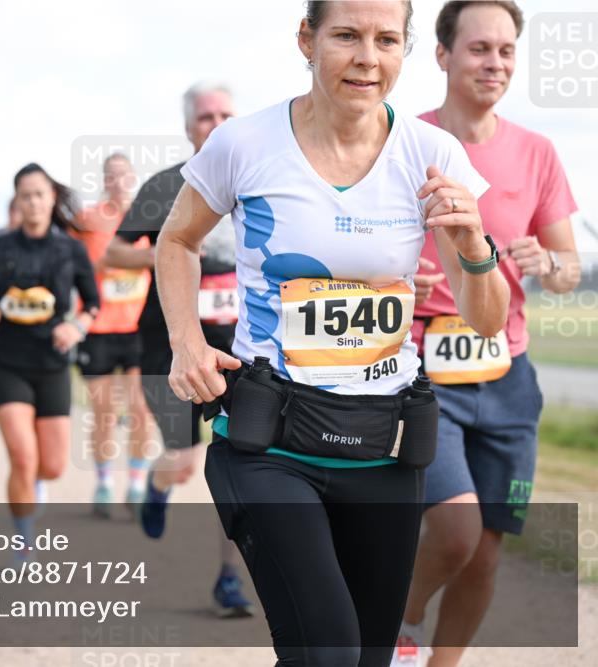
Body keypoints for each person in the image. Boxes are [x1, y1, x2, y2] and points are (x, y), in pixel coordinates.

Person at [159, 2, 511, 664]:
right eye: (346, 35)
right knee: (327, 650)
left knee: (369, 655)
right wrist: (186, 339)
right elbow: (176, 239)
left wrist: (473, 242)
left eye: (386, 40)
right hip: (272, 442)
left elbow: (486, 317)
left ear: (405, 49)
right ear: (307, 39)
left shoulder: (434, 154)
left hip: (384, 446)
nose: (367, 59)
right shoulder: (244, 144)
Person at [392, 3, 581, 666]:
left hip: (508, 375)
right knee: (454, 529)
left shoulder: (537, 151)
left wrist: (547, 262)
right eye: (478, 49)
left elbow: (567, 269)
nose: (494, 63)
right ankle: (402, 623)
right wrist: (394, 284)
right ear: (442, 55)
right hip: (423, 367)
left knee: (488, 547)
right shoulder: (402, 141)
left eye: (505, 51)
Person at [104, 81, 253, 617]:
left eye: (225, 114)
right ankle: (158, 484)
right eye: (204, 116)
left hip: (243, 345)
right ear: (188, 127)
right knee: (186, 461)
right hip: (169, 344)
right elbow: (115, 253)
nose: (215, 123)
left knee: (242, 459)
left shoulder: (262, 177)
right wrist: (174, 254)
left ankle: (229, 578)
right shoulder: (168, 185)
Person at [0, 163, 99, 551]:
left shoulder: (71, 249)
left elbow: (93, 303)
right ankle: (23, 540)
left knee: (51, 466)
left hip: (53, 364)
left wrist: (76, 327)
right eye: (26, 196)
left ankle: (34, 485)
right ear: (17, 202)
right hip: (7, 362)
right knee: (23, 457)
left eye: (40, 194)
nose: (34, 202)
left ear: (51, 198)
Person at [72, 153, 157, 518]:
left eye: (124, 174)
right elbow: (72, 265)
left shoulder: (149, 219)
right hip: (100, 329)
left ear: (133, 178)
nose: (118, 180)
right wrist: (101, 266)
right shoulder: (88, 220)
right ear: (104, 180)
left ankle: (136, 485)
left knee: (141, 410)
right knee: (104, 412)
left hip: (140, 328)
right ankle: (105, 482)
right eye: (112, 175)